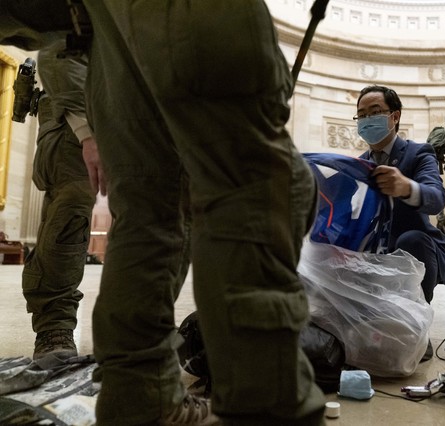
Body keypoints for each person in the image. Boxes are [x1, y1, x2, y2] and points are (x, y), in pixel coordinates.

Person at [1, 1, 326, 425]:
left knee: (149, 204)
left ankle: (142, 397)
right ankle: (267, 406)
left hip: (109, 23)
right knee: (253, 178)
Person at [20, 38, 105, 361]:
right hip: (73, 118)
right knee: (71, 211)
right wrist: (87, 132)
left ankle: (144, 333)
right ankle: (54, 328)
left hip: (136, 115)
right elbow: (59, 45)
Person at [355, 85, 445, 304]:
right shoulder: (357, 164)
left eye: (375, 112)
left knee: (412, 240)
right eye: (361, 115)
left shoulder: (419, 153)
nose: (367, 119)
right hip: (372, 251)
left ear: (395, 116)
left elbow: (436, 199)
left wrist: (406, 187)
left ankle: (414, 317)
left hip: (411, 247)